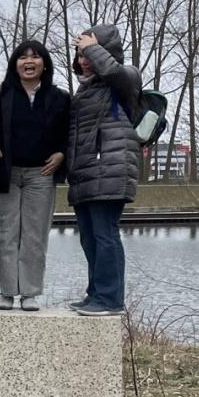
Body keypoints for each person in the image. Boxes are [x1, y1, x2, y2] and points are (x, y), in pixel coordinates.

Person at [0, 40, 70, 311]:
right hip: (6, 174)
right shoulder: (1, 94)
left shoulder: (59, 97)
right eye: (22, 57)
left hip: (41, 174)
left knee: (35, 236)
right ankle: (8, 292)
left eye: (35, 57)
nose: (28, 62)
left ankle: (30, 293)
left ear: (44, 64)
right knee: (4, 234)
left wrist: (61, 154)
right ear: (15, 64)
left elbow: (70, 134)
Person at [66, 25, 142, 317]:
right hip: (86, 172)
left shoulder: (125, 79)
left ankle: (110, 299)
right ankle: (96, 293)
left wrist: (92, 47)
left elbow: (112, 71)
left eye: (87, 53)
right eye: (78, 54)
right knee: (88, 236)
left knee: (105, 234)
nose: (83, 60)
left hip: (110, 168)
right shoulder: (85, 90)